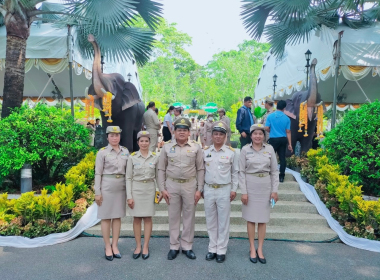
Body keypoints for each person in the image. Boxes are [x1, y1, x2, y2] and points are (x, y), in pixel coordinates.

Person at [157, 117, 205, 260]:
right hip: (172, 185)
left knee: (189, 216)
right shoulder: (166, 147)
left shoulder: (196, 147)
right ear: (174, 132)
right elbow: (161, 169)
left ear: (189, 132)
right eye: (179, 130)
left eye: (185, 130)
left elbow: (201, 169)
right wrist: (162, 188)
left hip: (190, 185)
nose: (182, 133)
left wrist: (199, 189)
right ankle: (174, 246)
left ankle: (187, 246)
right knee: (173, 216)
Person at [239, 124, 279, 265]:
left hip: (265, 186)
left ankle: (260, 249)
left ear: (264, 136)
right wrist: (243, 192)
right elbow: (241, 172)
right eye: (255, 133)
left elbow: (274, 171)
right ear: (251, 135)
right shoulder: (245, 150)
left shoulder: (269, 149)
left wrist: (274, 190)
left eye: (260, 134)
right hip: (250, 185)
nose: (257, 136)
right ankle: (251, 248)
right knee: (250, 219)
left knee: (262, 220)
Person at [203, 121, 238, 263]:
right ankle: (212, 248)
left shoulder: (231, 153)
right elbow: (201, 172)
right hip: (209, 189)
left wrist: (234, 189)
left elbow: (235, 172)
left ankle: (221, 249)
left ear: (225, 137)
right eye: (215, 134)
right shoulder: (205, 152)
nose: (218, 137)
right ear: (211, 136)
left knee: (223, 221)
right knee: (210, 221)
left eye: (221, 134)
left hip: (224, 189)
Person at [94, 126, 129, 261]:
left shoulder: (125, 152)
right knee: (106, 217)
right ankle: (107, 246)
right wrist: (98, 192)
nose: (115, 138)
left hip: (121, 187)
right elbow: (98, 173)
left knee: (117, 216)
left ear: (120, 136)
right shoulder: (102, 153)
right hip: (107, 186)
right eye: (112, 135)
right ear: (107, 137)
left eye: (117, 135)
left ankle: (115, 245)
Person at [126, 131, 159, 260]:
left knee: (148, 218)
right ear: (138, 142)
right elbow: (128, 178)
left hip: (149, 189)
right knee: (137, 219)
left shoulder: (155, 157)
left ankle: (146, 246)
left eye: (146, 141)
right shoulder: (132, 157)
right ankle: (138, 246)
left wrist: (159, 191)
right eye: (141, 141)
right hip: (136, 189)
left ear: (149, 142)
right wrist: (129, 196)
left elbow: (158, 176)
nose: (144, 143)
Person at [265, 100, 293, 182]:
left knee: (270, 157)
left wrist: (272, 130)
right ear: (284, 108)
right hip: (283, 139)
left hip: (273, 139)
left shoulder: (270, 116)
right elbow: (288, 132)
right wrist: (290, 144)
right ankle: (281, 176)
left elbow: (266, 128)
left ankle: (269, 174)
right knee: (282, 158)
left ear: (276, 106)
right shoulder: (287, 118)